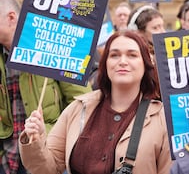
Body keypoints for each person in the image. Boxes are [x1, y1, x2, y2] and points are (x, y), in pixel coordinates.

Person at [19, 30, 172, 174]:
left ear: (145, 65)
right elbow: (47, 169)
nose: (122, 61)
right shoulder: (78, 108)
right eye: (114, 55)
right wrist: (35, 140)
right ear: (105, 64)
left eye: (132, 55)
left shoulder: (162, 119)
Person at [0, 0, 92, 174]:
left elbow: (82, 103)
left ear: (11, 18)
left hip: (45, 155)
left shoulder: (53, 45)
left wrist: (58, 144)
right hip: (7, 160)